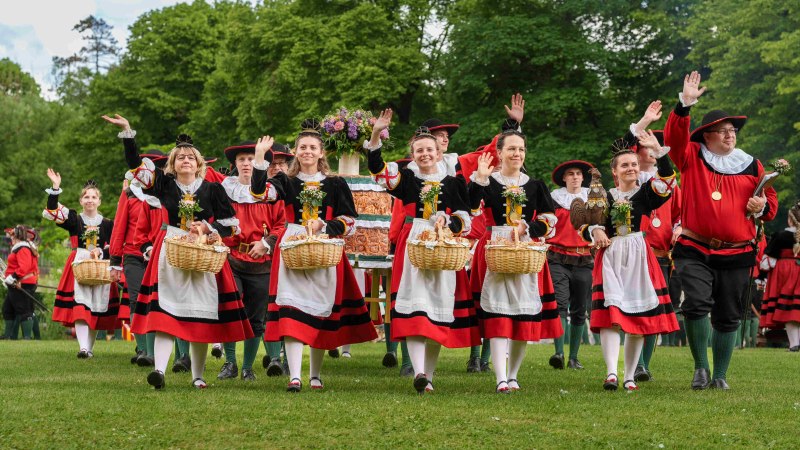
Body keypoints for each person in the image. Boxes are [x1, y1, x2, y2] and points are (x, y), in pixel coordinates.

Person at [104, 114, 253, 390]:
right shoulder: (164, 184)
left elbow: (232, 226)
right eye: (180, 157)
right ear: (173, 164)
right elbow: (136, 166)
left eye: (190, 157)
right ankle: (159, 371)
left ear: (199, 164)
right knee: (165, 312)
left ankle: (198, 375)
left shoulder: (213, 189)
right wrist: (128, 132)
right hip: (171, 251)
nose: (186, 160)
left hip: (203, 254)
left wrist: (207, 228)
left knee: (199, 314)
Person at [664, 71, 778, 390]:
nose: (730, 136)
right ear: (707, 135)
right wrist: (685, 105)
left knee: (729, 315)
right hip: (695, 248)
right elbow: (673, 138)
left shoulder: (751, 164)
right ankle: (701, 368)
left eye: (732, 131)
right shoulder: (691, 156)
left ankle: (720, 376)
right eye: (723, 131)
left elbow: (770, 201)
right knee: (696, 304)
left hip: (738, 252)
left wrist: (761, 206)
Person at [252, 120, 378, 392]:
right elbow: (260, 193)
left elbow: (350, 222)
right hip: (293, 247)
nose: (307, 151)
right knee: (291, 310)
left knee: (321, 311)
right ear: (296, 152)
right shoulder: (285, 181)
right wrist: (260, 159)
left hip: (324, 249)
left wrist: (325, 225)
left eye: (312, 147)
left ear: (322, 153)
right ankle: (295, 376)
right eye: (302, 147)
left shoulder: (335, 183)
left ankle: (315, 375)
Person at [367, 109, 479, 394]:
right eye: (419, 151)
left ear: (439, 153)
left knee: (437, 310)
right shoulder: (407, 178)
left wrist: (448, 222)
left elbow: (465, 218)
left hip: (443, 247)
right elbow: (379, 171)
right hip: (414, 244)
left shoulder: (453, 182)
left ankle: (427, 375)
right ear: (413, 154)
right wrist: (376, 134)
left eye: (429, 150)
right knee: (415, 309)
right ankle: (418, 371)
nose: (425, 154)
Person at [584, 130, 680, 392]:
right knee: (611, 313)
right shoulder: (602, 195)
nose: (631, 168)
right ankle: (611, 373)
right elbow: (586, 222)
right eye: (625, 165)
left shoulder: (646, 193)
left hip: (639, 255)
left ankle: (629, 375)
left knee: (637, 316)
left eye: (634, 164)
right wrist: (597, 230)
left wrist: (659, 153)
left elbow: (668, 181)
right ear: (614, 171)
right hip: (611, 255)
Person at [468, 132, 561, 393]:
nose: (517, 153)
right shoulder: (487, 181)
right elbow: (470, 208)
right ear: (499, 152)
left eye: (521, 149)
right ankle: (500, 378)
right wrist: (480, 178)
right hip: (495, 248)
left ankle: (513, 376)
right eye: (511, 149)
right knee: (497, 316)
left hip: (525, 250)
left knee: (523, 316)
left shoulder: (536, 185)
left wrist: (528, 227)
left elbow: (549, 221)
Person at [614, 101, 684, 381]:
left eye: (657, 147)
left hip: (660, 253)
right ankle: (631, 363)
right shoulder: (627, 179)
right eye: (647, 145)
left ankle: (643, 365)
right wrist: (643, 122)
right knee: (630, 305)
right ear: (637, 150)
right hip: (629, 252)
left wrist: (679, 228)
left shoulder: (669, 183)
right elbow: (619, 148)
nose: (653, 151)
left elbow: (680, 215)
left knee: (653, 307)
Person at [215, 141, 285, 382]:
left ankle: (247, 367)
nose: (246, 164)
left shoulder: (271, 193)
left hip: (261, 261)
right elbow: (216, 221)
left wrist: (266, 243)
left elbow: (281, 224)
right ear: (235, 164)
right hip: (231, 259)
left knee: (256, 318)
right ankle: (230, 363)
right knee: (230, 310)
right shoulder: (225, 190)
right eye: (242, 160)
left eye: (251, 159)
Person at [46, 171, 121, 358]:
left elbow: (115, 246)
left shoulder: (108, 224)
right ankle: (83, 348)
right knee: (80, 305)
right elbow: (53, 210)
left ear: (99, 201)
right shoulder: (74, 219)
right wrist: (55, 187)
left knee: (96, 307)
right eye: (86, 197)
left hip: (100, 267)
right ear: (81, 201)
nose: (90, 200)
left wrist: (101, 252)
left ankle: (89, 348)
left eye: (94, 197)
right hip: (79, 265)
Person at [109, 151, 168, 367]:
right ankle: (143, 349)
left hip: (162, 254)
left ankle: (161, 351)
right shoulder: (130, 194)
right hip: (134, 254)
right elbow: (119, 226)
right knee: (137, 300)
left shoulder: (168, 193)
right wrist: (115, 261)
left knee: (156, 300)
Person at [546, 160, 595, 370]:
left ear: (583, 178)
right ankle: (558, 352)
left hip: (584, 258)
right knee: (559, 304)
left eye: (578, 174)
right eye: (571, 174)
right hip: (557, 257)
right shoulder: (553, 199)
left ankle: (574, 357)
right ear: (564, 178)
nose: (575, 177)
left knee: (579, 308)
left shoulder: (593, 200)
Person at [759, 201, 800, 350]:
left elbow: (768, 261)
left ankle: (794, 343)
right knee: (796, 308)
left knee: (788, 308)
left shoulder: (781, 236)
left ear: (790, 220)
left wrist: (762, 276)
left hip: (786, 273)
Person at [3, 226, 39, 340]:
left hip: (22, 282)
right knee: (7, 309)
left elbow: (24, 267)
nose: (10, 238)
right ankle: (8, 336)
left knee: (24, 310)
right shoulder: (20, 247)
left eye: (12, 235)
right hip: (16, 282)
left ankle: (27, 337)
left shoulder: (22, 248)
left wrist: (13, 277)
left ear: (17, 236)